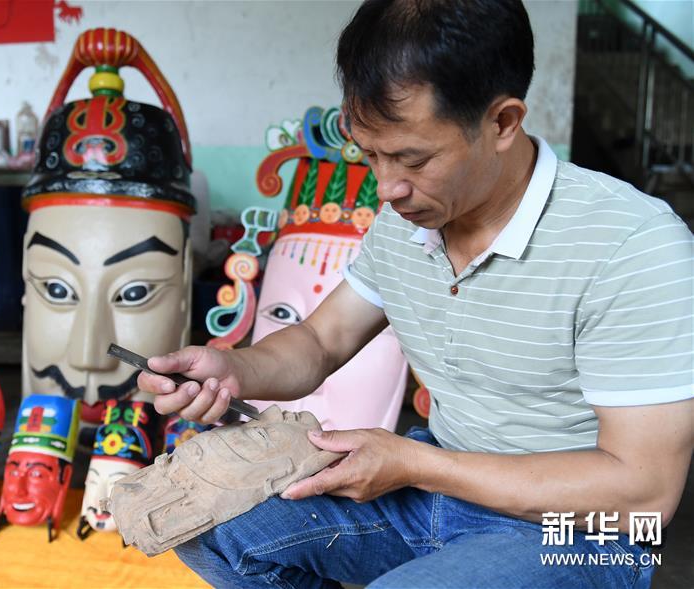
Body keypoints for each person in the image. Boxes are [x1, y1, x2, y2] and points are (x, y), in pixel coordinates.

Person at [138, 1, 694, 587]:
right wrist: (233, 369)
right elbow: (321, 341)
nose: (386, 188)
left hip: (577, 533)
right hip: (433, 490)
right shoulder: (407, 221)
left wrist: (418, 464)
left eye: (413, 159)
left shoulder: (631, 245)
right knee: (199, 517)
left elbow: (645, 494)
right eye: (370, 155)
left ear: (502, 123)